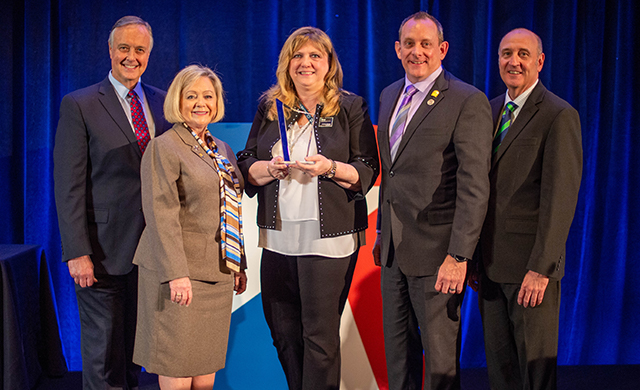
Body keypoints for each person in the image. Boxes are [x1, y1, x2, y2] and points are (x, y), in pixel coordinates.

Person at [237, 26, 379, 390]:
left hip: (327, 240)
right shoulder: (270, 107)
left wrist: (329, 168)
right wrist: (268, 169)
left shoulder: (350, 106)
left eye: (315, 55)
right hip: (278, 238)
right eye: (298, 55)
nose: (306, 63)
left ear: (329, 64)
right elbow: (246, 160)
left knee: (319, 337)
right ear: (287, 63)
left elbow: (367, 167)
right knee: (283, 333)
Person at [373, 11, 493, 390]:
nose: (417, 52)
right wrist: (381, 234)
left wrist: (459, 256)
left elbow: (474, 186)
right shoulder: (389, 94)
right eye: (409, 44)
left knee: (440, 366)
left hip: (439, 257)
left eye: (426, 44)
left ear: (442, 49)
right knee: (399, 360)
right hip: (393, 252)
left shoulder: (466, 100)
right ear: (397, 49)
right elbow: (391, 177)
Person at [53, 16, 172, 390]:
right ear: (110, 50)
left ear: (149, 55)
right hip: (101, 253)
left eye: (140, 50)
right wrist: (77, 251)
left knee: (135, 355)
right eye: (124, 48)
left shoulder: (162, 102)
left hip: (151, 253)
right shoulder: (80, 104)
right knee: (103, 360)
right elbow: (68, 185)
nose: (131, 56)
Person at [471, 28, 582, 390]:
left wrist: (542, 267)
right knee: (501, 374)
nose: (513, 61)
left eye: (522, 53)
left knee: (535, 374)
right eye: (506, 53)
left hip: (531, 271)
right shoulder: (487, 111)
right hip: (488, 266)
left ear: (539, 61)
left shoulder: (558, 115)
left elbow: (560, 199)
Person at [131, 64, 247, 390]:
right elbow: (160, 214)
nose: (201, 102)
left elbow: (230, 208)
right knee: (178, 373)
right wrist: (176, 273)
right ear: (177, 101)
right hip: (178, 276)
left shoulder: (221, 149)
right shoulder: (164, 147)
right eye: (191, 95)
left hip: (218, 275)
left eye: (208, 96)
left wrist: (238, 264)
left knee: (204, 378)